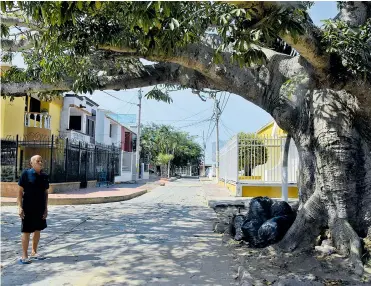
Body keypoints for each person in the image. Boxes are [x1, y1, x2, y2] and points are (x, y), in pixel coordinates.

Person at [17, 155, 49, 264]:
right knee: (26, 231)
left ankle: (34, 252)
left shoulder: (44, 176)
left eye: (41, 160)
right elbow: (20, 192)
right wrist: (20, 207)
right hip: (28, 208)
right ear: (31, 163)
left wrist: (45, 209)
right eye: (38, 161)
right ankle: (24, 255)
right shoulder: (26, 174)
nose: (40, 162)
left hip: (40, 208)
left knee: (37, 230)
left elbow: (46, 193)